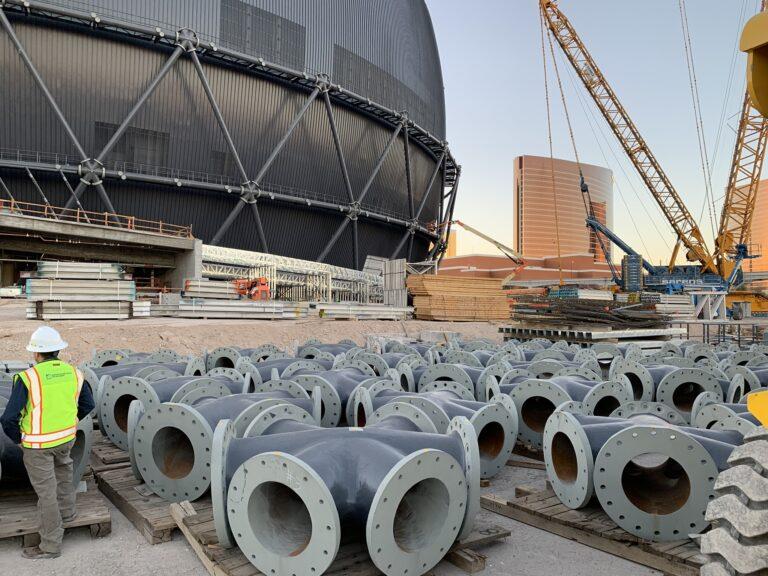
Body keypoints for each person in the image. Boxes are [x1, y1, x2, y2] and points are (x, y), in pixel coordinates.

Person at [0, 326, 95, 559]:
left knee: (46, 493)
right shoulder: (74, 373)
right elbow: (88, 404)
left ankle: (50, 545)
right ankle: (69, 513)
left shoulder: (28, 378)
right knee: (64, 475)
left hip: (37, 446)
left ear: (36, 353)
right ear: (58, 351)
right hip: (66, 439)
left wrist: (19, 440)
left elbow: (8, 418)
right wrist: (70, 422)